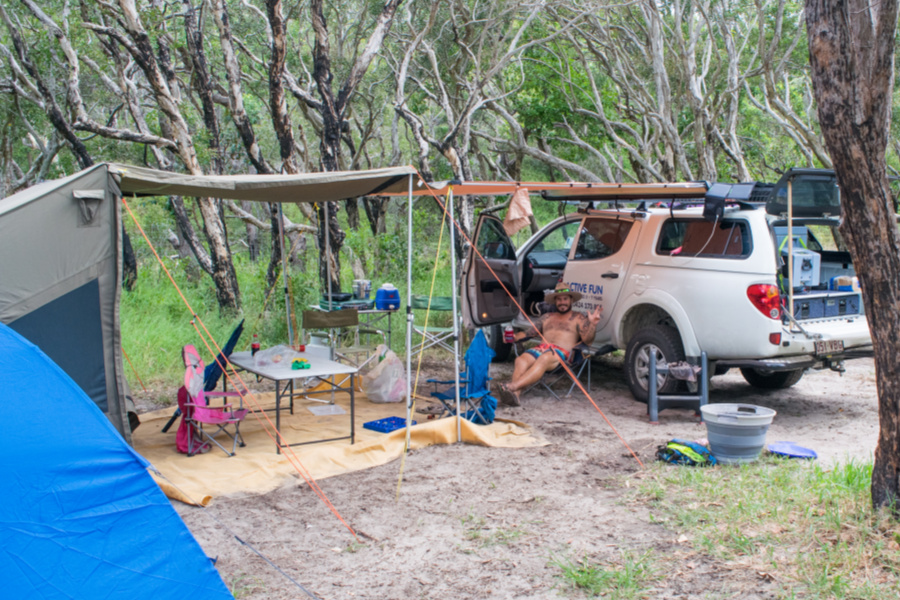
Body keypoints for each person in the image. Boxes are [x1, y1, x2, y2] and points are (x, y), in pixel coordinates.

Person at [498, 282, 602, 407]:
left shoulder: (578, 317)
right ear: (554, 301)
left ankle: (512, 386)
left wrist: (592, 325)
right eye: (559, 299)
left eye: (565, 299)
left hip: (562, 354)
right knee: (520, 360)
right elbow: (528, 333)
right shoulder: (547, 317)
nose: (562, 302)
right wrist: (513, 337)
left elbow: (588, 341)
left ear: (571, 300)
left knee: (545, 358)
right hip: (541, 348)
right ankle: (515, 396)